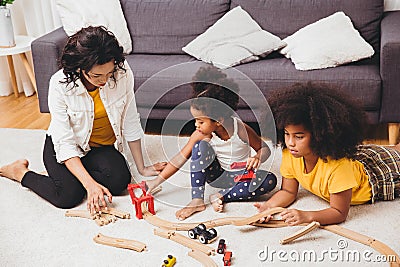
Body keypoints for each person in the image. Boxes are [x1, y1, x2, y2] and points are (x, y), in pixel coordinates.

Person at [0, 26, 165, 214]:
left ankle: (70, 177)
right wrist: (90, 185)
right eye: (97, 75)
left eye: (109, 73)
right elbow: (65, 142)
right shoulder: (59, 84)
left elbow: (130, 120)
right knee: (68, 196)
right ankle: (20, 172)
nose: (105, 80)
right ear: (80, 68)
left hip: (99, 147)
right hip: (64, 147)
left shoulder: (122, 72)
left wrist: (142, 168)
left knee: (120, 181)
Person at [254, 82, 400, 226]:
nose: (290, 142)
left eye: (299, 137)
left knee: (394, 154)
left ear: (319, 135)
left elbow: (339, 212)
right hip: (358, 164)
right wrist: (268, 207)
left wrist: (307, 216)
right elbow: (288, 191)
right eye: (286, 134)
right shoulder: (290, 154)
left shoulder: (339, 166)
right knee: (388, 149)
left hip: (377, 176)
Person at [145, 66, 277, 220]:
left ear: (219, 121)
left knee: (270, 180)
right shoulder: (200, 134)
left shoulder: (240, 128)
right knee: (199, 147)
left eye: (200, 121)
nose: (196, 125)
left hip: (242, 177)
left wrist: (257, 158)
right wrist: (155, 182)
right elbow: (179, 159)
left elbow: (264, 149)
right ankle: (197, 199)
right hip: (217, 175)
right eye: (195, 120)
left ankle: (222, 196)